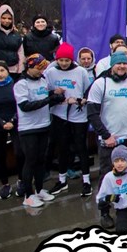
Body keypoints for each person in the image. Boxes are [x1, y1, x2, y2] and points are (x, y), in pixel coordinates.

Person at [86, 51, 127, 227]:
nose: (122, 66)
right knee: (107, 176)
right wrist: (106, 135)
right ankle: (104, 212)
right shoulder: (101, 84)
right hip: (110, 139)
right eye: (118, 64)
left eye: (124, 64)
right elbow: (92, 113)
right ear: (112, 65)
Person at [14, 54, 63, 208]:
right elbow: (25, 106)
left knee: (41, 159)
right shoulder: (21, 84)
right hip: (28, 128)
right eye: (38, 68)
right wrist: (49, 100)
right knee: (31, 160)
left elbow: (44, 98)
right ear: (30, 67)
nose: (41, 71)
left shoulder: (43, 80)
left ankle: (39, 189)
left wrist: (55, 96)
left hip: (44, 124)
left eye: (43, 68)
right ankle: (28, 195)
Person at [44, 43, 92, 197]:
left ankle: (86, 181)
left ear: (71, 60)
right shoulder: (50, 72)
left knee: (80, 147)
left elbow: (88, 91)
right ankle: (62, 180)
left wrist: (81, 100)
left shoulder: (80, 71)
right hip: (59, 114)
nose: (64, 63)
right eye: (61, 60)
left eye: (67, 60)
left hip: (78, 114)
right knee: (62, 148)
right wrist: (55, 93)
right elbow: (45, 93)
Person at [0, 61, 21, 199]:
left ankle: (21, 180)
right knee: (0, 154)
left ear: (7, 71)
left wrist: (12, 121)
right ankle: (5, 184)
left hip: (15, 122)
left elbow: (20, 105)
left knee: (19, 152)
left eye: (2, 70)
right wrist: (2, 123)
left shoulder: (16, 86)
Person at [0, 4, 25, 76]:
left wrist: (20, 71)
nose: (7, 21)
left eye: (9, 18)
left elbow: (21, 53)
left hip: (12, 70)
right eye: (3, 18)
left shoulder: (17, 36)